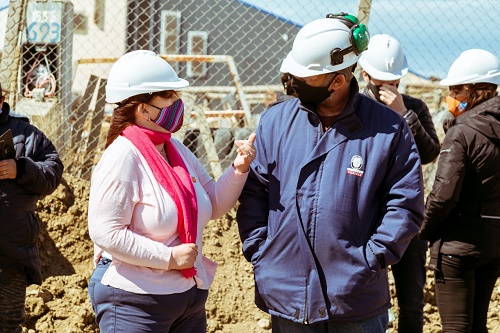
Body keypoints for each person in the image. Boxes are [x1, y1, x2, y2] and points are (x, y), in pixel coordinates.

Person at [236, 13, 424, 333]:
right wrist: (261, 252)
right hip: (285, 297)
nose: (293, 82)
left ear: (336, 80)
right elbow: (254, 192)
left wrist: (367, 262)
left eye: (305, 78)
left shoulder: (388, 130)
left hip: (354, 302)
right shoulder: (275, 122)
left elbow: (405, 206)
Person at [87, 50, 256, 332]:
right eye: (169, 96)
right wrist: (169, 258)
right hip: (135, 302)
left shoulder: (174, 149)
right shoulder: (121, 157)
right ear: (143, 109)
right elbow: (106, 232)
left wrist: (239, 168)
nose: (179, 102)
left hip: (186, 298)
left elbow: (213, 203)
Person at [358, 33, 440, 333]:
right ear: (365, 74)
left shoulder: (414, 107)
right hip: (365, 217)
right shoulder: (355, 107)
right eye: (382, 83)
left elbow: (430, 152)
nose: (390, 89)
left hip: (407, 216)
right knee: (362, 298)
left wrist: (403, 115)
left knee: (411, 301)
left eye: (395, 82)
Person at [419, 49, 500, 333]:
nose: (451, 95)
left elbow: (443, 196)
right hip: (493, 242)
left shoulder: (462, 133)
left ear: (478, 90)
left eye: (456, 89)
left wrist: (422, 232)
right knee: (477, 325)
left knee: (455, 328)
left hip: (457, 246)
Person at [0, 83, 64, 332]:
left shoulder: (26, 134)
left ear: (2, 99)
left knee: (8, 321)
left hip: (11, 253)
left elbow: (53, 173)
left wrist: (22, 169)